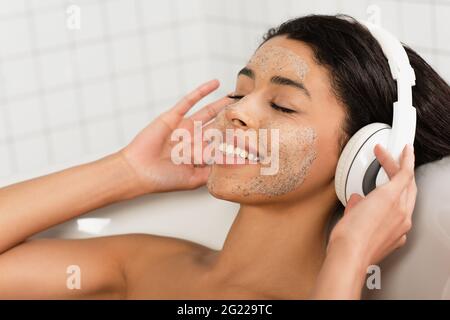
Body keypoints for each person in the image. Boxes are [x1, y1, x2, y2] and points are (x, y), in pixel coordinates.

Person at [0, 15, 448, 299]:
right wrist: (127, 171)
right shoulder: (145, 264)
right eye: (240, 91)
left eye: (282, 105)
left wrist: (350, 255)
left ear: (363, 156)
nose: (236, 111)